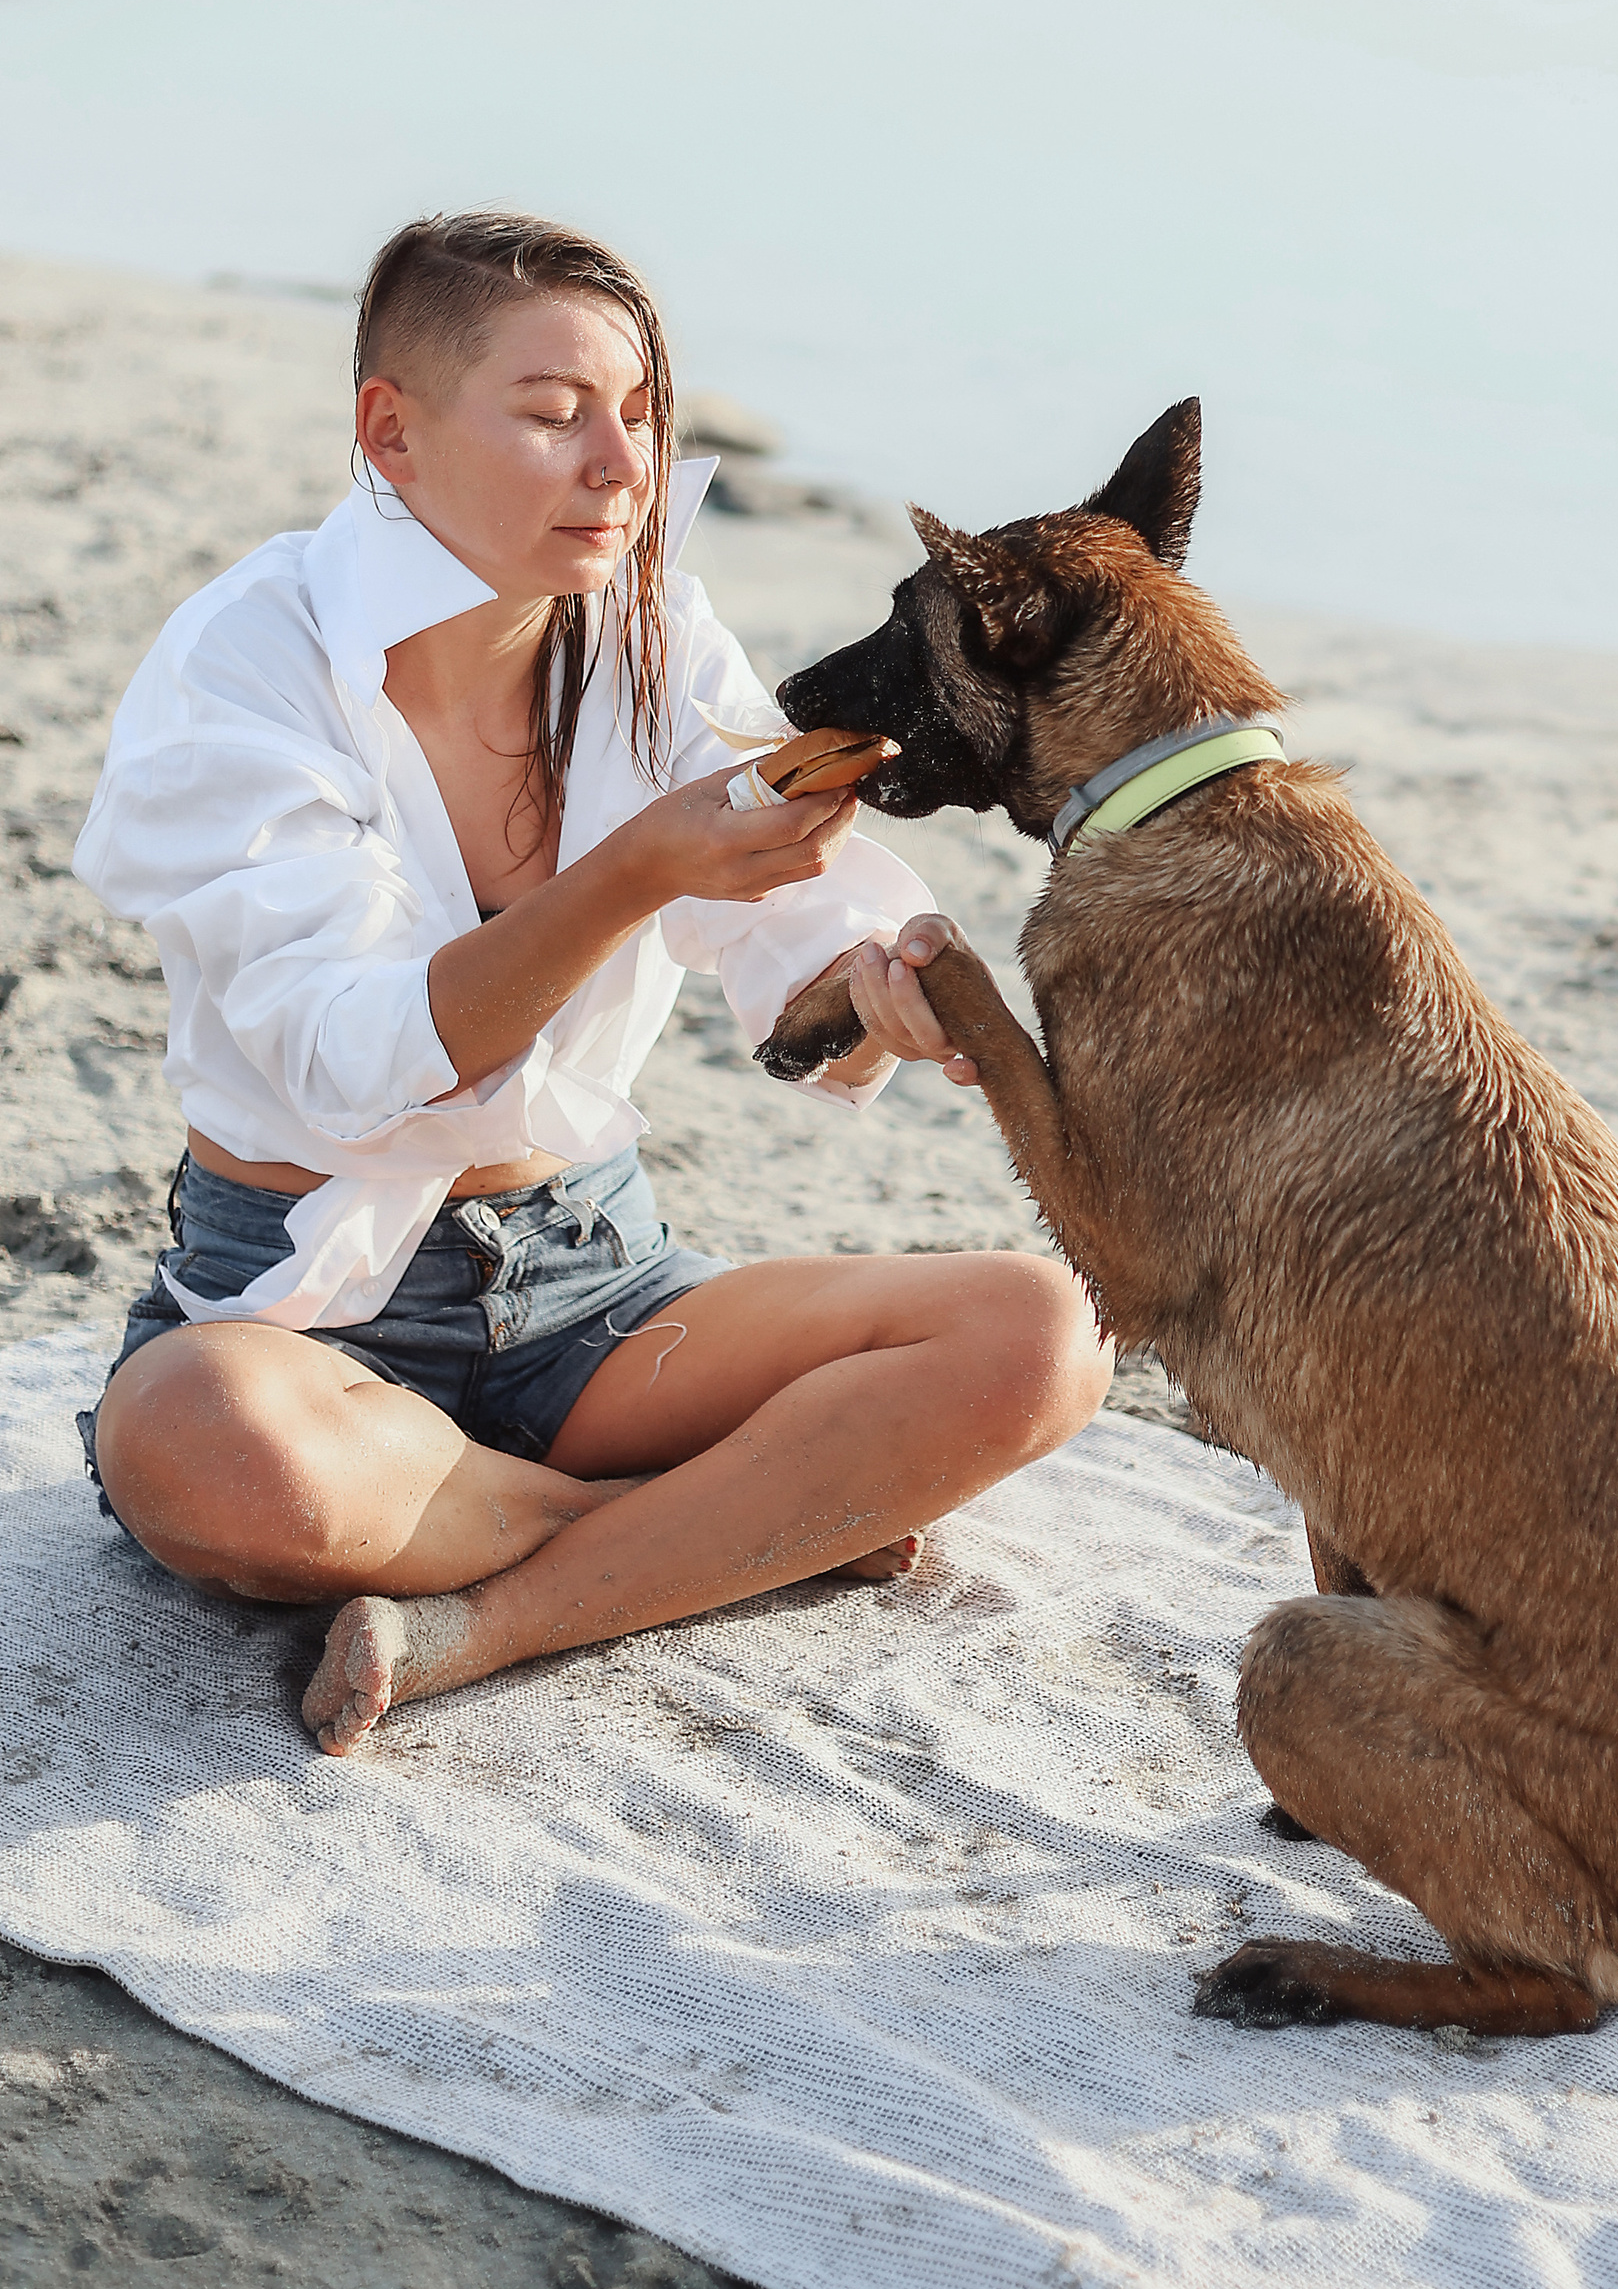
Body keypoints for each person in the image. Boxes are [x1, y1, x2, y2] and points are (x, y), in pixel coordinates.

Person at [72, 212, 1110, 1754]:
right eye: (557, 416)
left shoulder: (656, 626)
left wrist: (860, 979)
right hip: (311, 1312)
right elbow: (349, 1057)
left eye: (640, 415)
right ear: (391, 430)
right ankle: (696, 1525)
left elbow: (783, 904)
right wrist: (627, 873)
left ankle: (491, 1613)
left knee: (1043, 1330)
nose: (621, 468)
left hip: (595, 1288)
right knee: (206, 1451)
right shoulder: (244, 663)